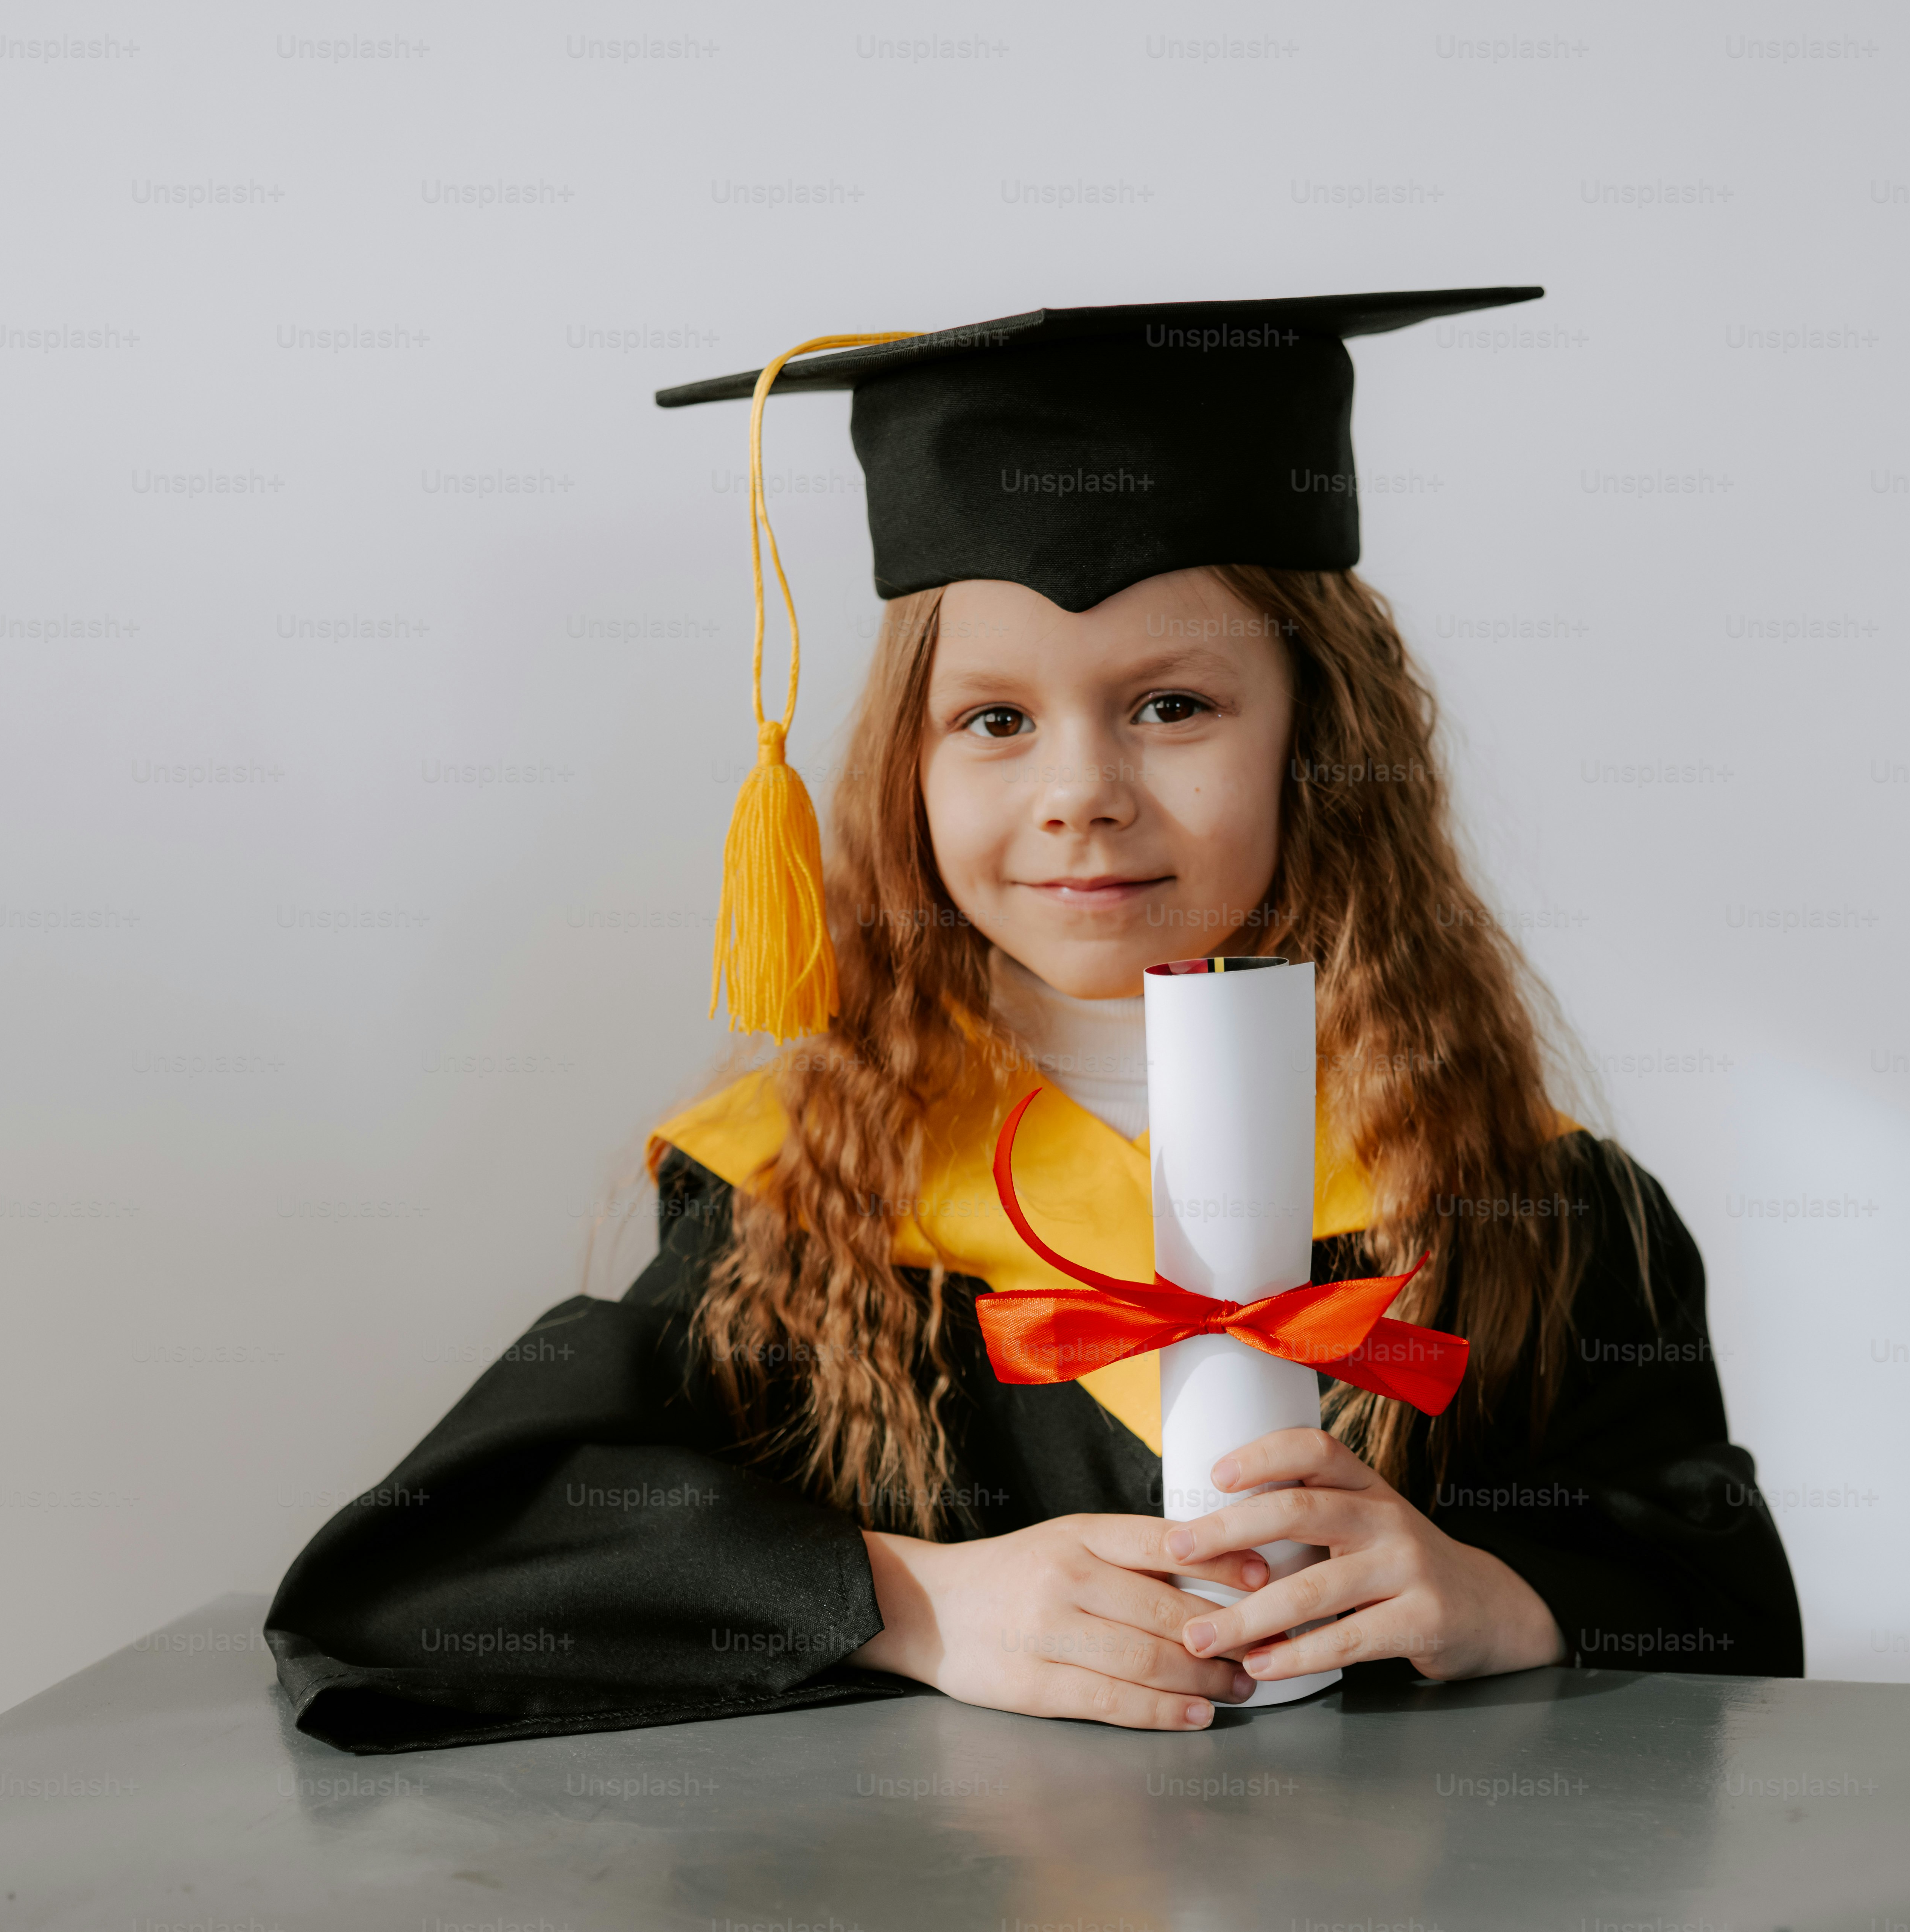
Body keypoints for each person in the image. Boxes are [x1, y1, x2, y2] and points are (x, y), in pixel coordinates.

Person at [266, 291, 1803, 1753]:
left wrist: (1502, 1598)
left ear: (1318, 747)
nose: (1079, 788)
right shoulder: (796, 1195)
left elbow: (1726, 1604)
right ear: (907, 772)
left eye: (1170, 705)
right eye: (993, 719)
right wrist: (907, 1600)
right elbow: (435, 1565)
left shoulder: (1523, 1198)